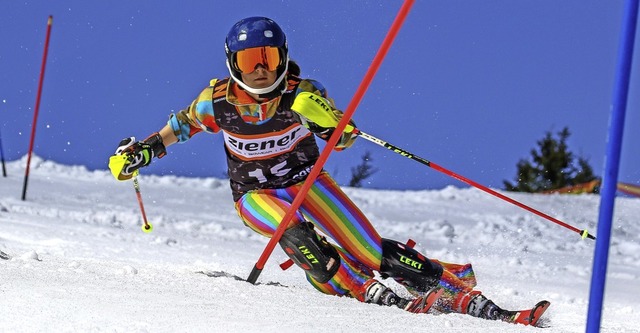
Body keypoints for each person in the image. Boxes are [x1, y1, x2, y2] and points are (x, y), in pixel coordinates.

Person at [108, 16, 549, 325]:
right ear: (232, 64)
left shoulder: (303, 92)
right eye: (248, 61)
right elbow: (178, 128)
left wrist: (327, 121)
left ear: (282, 57)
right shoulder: (217, 102)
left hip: (307, 182)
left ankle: (453, 288)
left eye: (267, 57)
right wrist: (140, 154)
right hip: (255, 196)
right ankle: (360, 289)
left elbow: (343, 138)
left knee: (371, 249)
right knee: (299, 238)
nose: (260, 70)